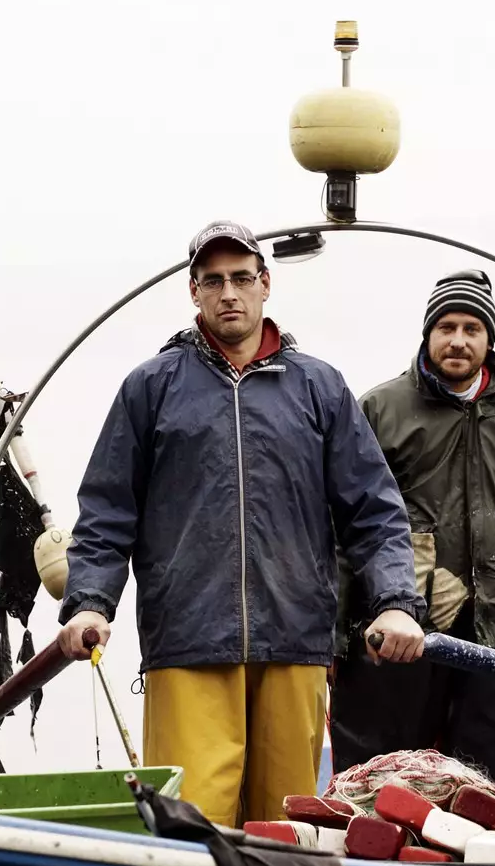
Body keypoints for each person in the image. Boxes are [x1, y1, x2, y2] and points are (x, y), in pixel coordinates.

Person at [55, 220, 425, 825]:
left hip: (296, 642)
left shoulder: (320, 388)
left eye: (241, 279)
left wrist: (395, 603)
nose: (229, 292)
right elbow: (106, 511)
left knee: (289, 831)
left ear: (265, 285)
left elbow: (376, 512)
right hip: (189, 644)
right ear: (193, 292)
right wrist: (90, 602)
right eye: (213, 281)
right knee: (192, 828)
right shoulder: (150, 388)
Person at [330, 266, 495, 789]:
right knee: (381, 780)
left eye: (471, 329)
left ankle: (474, 864)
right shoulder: (380, 408)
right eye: (446, 328)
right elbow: (343, 528)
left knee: (477, 786)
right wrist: (335, 639)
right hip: (395, 631)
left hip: (492, 633)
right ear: (428, 334)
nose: (458, 341)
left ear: (489, 339)